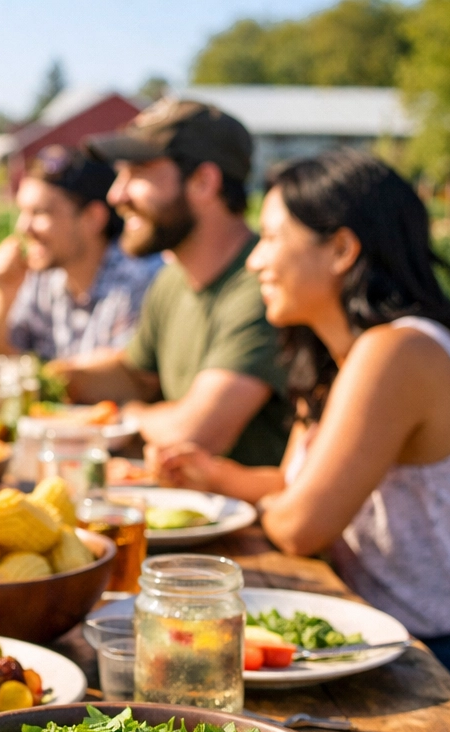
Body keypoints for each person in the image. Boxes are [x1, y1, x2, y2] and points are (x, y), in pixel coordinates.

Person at [155, 149, 450, 732]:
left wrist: (273, 500)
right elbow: (298, 490)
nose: (254, 259)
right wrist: (210, 474)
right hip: (413, 658)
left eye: (272, 238)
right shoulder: (341, 359)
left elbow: (303, 524)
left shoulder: (398, 352)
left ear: (342, 250)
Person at [58, 100, 291, 467]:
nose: (116, 195)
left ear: (203, 182)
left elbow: (196, 434)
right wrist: (50, 378)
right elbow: (136, 375)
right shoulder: (172, 279)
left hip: (241, 519)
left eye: (137, 173)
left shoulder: (264, 286)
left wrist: (127, 416)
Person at [0, 145, 161, 363]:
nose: (23, 227)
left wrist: (38, 375)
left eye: (40, 212)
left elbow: (130, 373)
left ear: (93, 218)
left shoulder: (141, 280)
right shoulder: (44, 277)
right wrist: (4, 292)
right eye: (22, 211)